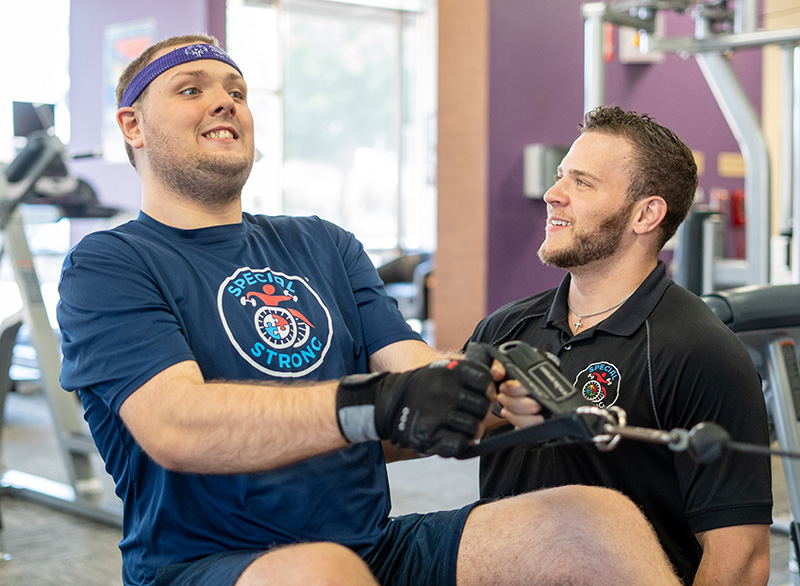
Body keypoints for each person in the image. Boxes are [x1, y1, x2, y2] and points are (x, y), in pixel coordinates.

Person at [56, 34, 683, 586]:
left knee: (596, 517)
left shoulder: (321, 243)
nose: (225, 102)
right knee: (318, 573)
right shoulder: (110, 264)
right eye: (191, 89)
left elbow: (416, 372)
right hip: (208, 564)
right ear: (133, 127)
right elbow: (176, 425)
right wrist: (374, 400)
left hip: (372, 552)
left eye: (236, 91)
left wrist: (484, 399)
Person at [467, 105, 773, 586]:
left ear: (646, 214)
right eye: (559, 176)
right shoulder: (504, 330)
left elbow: (741, 557)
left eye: (582, 183)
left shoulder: (702, 353)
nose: (552, 195)